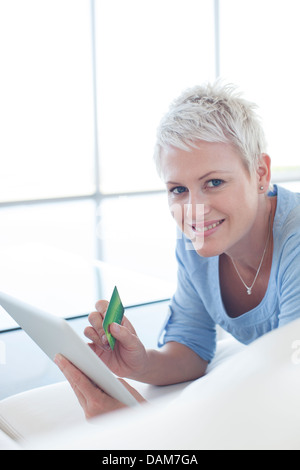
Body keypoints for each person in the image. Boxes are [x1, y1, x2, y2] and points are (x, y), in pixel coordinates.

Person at [55, 81, 300, 418]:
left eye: (214, 182)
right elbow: (191, 348)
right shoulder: (195, 244)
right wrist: (139, 364)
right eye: (179, 189)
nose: (194, 210)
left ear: (260, 173)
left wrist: (145, 428)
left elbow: (290, 393)